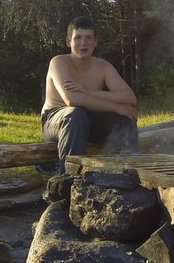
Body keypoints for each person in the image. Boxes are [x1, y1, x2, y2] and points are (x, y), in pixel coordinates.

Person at [40, 16, 138, 173]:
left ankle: (127, 173)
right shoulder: (58, 62)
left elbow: (129, 97)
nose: (83, 43)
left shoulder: (103, 66)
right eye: (77, 38)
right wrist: (116, 107)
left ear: (95, 41)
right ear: (68, 41)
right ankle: (69, 179)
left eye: (88, 38)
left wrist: (86, 90)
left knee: (124, 120)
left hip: (88, 120)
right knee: (76, 114)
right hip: (56, 121)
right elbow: (72, 99)